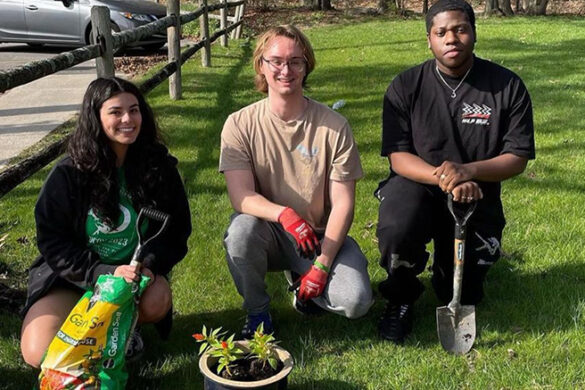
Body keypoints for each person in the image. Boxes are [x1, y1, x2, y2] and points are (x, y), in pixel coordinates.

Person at [375, 0, 535, 344]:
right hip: (416, 185)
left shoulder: (507, 87)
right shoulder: (406, 86)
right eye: (441, 32)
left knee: (463, 291)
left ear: (474, 33)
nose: (452, 38)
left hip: (478, 193)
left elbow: (517, 157)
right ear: (429, 39)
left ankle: (451, 276)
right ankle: (400, 298)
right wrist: (446, 178)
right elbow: (398, 158)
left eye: (460, 29)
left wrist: (469, 172)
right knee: (397, 226)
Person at [20, 77, 192, 368]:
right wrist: (102, 272)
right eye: (115, 112)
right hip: (74, 279)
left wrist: (147, 265)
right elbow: (52, 240)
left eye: (134, 110)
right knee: (38, 352)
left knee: (156, 300)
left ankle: (126, 329)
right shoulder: (69, 174)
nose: (128, 119)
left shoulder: (158, 167)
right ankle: (99, 340)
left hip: (134, 280)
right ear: (96, 118)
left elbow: (176, 231)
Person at [219, 25, 373, 338]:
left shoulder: (334, 125)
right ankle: (258, 312)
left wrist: (323, 264)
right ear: (261, 65)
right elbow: (241, 197)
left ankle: (306, 287)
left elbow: (344, 203)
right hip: (268, 233)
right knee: (240, 232)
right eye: (275, 61)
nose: (285, 70)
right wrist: (285, 215)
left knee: (355, 302)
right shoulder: (239, 124)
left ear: (307, 66)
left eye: (295, 62)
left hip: (317, 237)